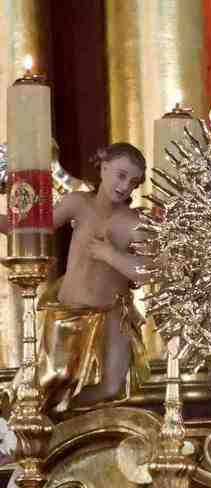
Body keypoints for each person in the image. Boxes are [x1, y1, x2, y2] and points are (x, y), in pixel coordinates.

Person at [0, 142, 150, 420]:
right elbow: (28, 227)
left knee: (112, 386)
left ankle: (63, 420)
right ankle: (25, 418)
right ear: (103, 167)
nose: (125, 186)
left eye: (133, 182)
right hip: (70, 312)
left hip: (112, 313)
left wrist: (110, 254)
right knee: (55, 377)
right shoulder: (79, 204)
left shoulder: (134, 222)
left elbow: (146, 271)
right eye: (121, 175)